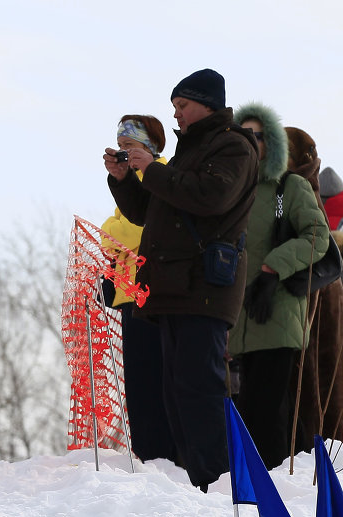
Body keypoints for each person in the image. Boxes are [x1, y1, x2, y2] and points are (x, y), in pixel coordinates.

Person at [104, 68, 259, 491]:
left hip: (205, 288)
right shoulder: (190, 151)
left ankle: (220, 484)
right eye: (174, 107)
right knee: (175, 394)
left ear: (207, 103)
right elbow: (150, 214)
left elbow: (210, 198)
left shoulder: (233, 147)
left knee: (200, 391)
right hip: (174, 289)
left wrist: (152, 169)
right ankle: (195, 484)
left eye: (182, 106)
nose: (177, 115)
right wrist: (123, 182)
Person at [226, 104, 329, 470]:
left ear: (272, 144)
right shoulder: (234, 194)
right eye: (244, 135)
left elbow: (318, 237)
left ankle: (274, 489)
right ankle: (297, 477)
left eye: (258, 135)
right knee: (262, 409)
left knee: (264, 411)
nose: (251, 141)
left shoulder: (289, 186)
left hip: (278, 309)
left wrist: (273, 267)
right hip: (241, 320)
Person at [99, 115, 179, 464]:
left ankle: (163, 456)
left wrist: (117, 230)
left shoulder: (161, 176)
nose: (125, 153)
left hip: (154, 294)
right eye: (121, 146)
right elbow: (111, 233)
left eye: (130, 146)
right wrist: (117, 230)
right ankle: (146, 454)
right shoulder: (132, 183)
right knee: (137, 383)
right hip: (130, 294)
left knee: (154, 379)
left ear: (150, 147)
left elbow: (135, 233)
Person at [282, 127, 343, 452]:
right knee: (321, 376)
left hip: (312, 291)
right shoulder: (297, 187)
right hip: (319, 290)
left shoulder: (299, 188)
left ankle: (316, 452)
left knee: (314, 377)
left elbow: (316, 243)